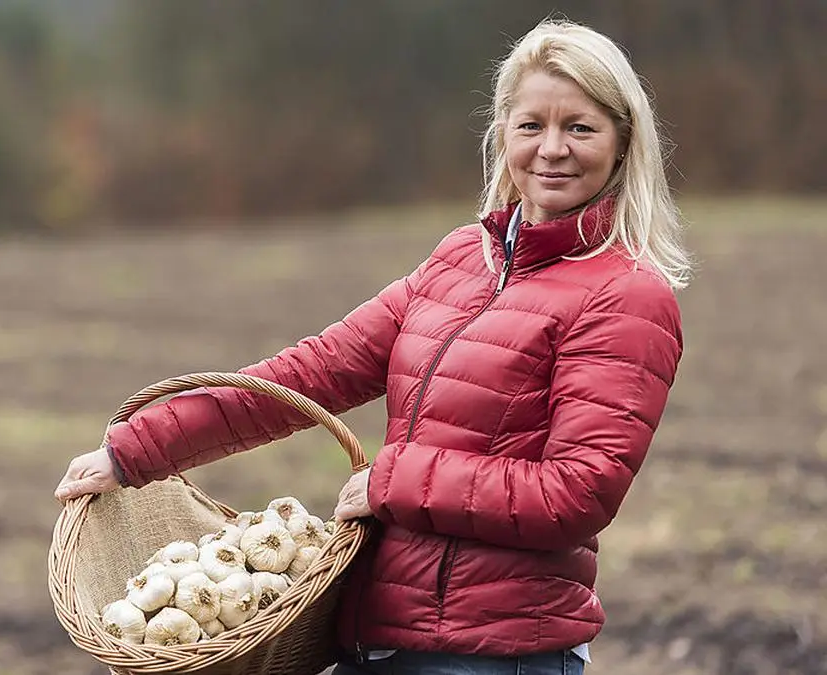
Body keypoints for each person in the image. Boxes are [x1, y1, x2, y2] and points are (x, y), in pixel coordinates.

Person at [54, 18, 690, 675]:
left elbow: (572, 494)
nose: (551, 148)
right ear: (503, 133)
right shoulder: (456, 261)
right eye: (531, 125)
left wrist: (392, 481)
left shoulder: (627, 297)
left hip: (495, 656)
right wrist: (134, 449)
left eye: (579, 127)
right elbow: (313, 373)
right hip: (378, 639)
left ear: (622, 142)